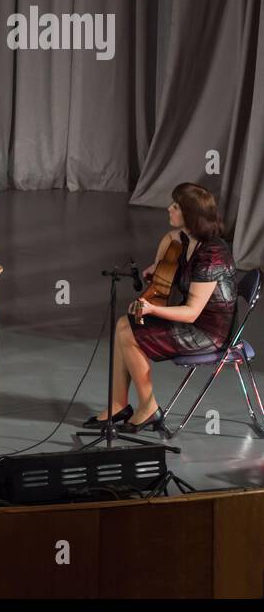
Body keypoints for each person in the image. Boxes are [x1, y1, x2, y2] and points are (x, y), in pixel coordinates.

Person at [84, 183, 237, 433]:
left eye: (175, 206)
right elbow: (171, 239)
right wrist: (158, 267)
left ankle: (148, 408)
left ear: (189, 215)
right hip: (193, 324)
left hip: (207, 334)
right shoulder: (191, 239)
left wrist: (152, 310)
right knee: (124, 323)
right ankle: (118, 404)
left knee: (128, 332)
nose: (169, 208)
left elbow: (191, 312)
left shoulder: (212, 257)